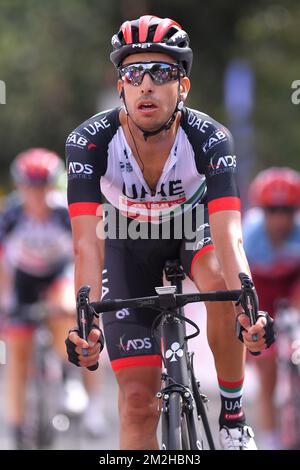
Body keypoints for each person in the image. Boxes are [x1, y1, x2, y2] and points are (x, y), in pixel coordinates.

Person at [65, 15, 275, 450]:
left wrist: (248, 305)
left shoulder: (211, 138)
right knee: (138, 403)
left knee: (219, 279)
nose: (146, 85)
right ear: (120, 85)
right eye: (133, 73)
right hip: (124, 240)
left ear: (182, 87)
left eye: (161, 73)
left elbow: (229, 236)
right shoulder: (88, 142)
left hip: (191, 231)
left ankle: (233, 416)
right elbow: (87, 243)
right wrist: (84, 322)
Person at [0, 148, 104, 448]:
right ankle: (18, 427)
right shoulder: (10, 215)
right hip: (24, 279)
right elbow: (3, 265)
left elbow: (83, 253)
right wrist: (6, 305)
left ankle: (74, 385)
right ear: (20, 187)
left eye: (43, 186)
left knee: (64, 311)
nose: (37, 194)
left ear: (54, 185)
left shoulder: (63, 213)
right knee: (17, 351)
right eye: (30, 187)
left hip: (59, 273)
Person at [243, 167, 300, 449]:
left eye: (287, 210)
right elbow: (241, 290)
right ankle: (271, 438)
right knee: (265, 367)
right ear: (261, 210)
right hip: (260, 288)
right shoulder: (248, 235)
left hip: (292, 284)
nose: (280, 219)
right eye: (272, 210)